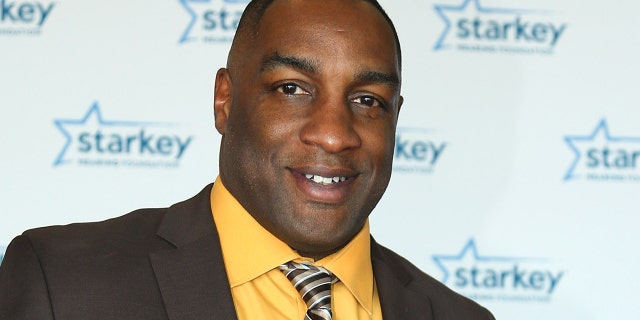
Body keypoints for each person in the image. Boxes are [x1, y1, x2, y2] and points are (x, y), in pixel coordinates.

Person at [0, 0, 494, 319]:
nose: (333, 134)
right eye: (292, 89)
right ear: (225, 100)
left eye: (368, 100)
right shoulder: (64, 286)